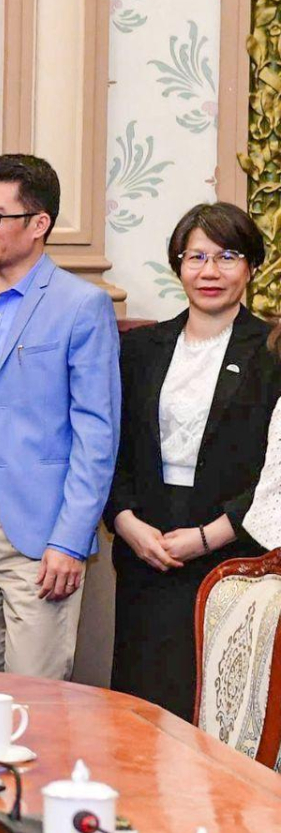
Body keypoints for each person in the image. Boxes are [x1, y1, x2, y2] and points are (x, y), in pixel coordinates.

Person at [0, 155, 120, 680]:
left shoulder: (82, 306)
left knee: (36, 700)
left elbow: (96, 435)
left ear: (39, 224)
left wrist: (70, 539)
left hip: (39, 532)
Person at [105, 203, 281, 718]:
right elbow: (111, 450)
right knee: (141, 713)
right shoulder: (141, 348)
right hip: (146, 551)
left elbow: (276, 473)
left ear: (252, 266)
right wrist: (126, 522)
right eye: (196, 257)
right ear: (178, 265)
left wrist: (209, 536)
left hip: (233, 558)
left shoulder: (272, 350)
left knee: (216, 714)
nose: (210, 271)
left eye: (227, 256)